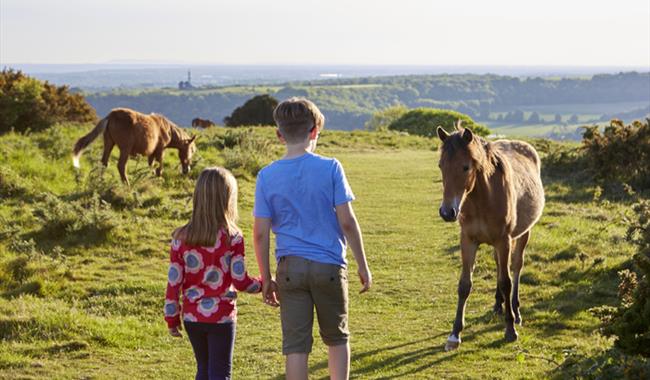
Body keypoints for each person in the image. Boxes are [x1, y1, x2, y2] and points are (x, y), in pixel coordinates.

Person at [253, 97, 372, 380]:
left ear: (279, 134)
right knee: (337, 339)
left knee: (296, 347)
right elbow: (347, 221)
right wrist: (362, 265)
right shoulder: (331, 167)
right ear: (315, 131)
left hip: (289, 269)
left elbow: (259, 234)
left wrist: (266, 277)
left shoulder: (266, 176)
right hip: (329, 266)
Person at [164, 167, 262, 380]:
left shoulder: (180, 237)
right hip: (222, 316)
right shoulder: (233, 237)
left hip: (192, 317)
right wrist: (264, 284)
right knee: (220, 373)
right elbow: (241, 281)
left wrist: (171, 318)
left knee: (204, 369)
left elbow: (173, 284)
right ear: (228, 199)